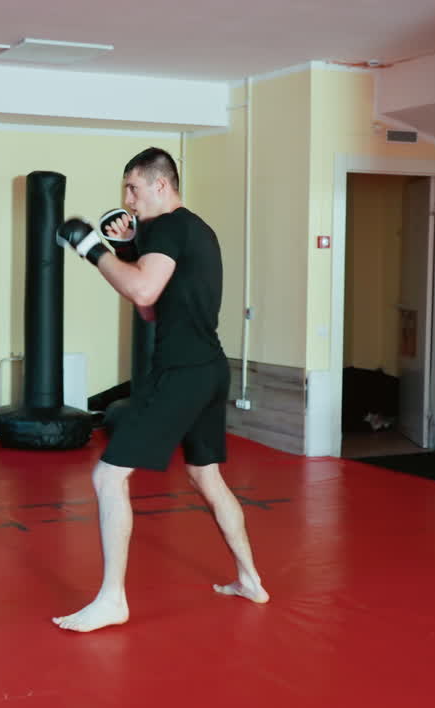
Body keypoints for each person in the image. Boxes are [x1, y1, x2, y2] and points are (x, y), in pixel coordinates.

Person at [52, 147, 270, 633]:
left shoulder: (169, 226)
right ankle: (250, 578)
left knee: (108, 477)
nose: (126, 200)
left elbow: (143, 293)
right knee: (206, 477)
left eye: (133, 188)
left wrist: (94, 249)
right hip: (212, 365)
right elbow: (152, 309)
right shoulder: (197, 230)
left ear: (160, 185)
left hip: (184, 370)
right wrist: (128, 251)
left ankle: (112, 600)